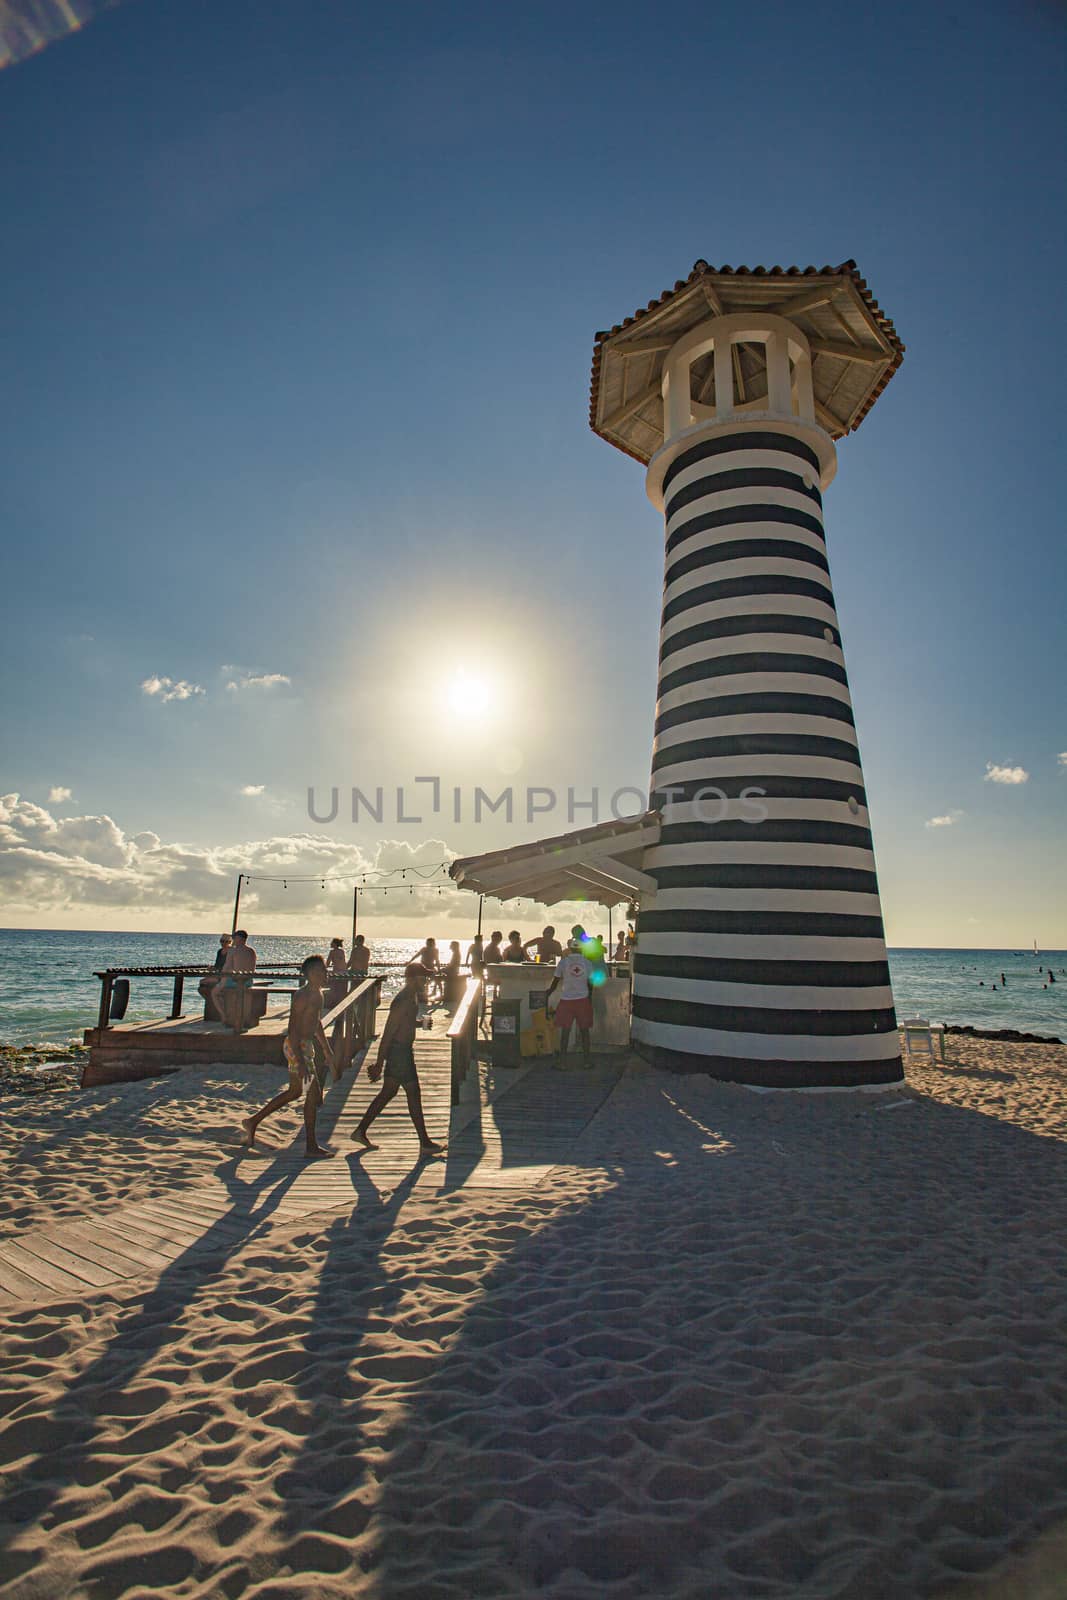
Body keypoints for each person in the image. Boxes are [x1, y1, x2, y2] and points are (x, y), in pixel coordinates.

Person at [241, 954, 335, 1158]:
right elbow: (293, 1028)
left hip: (306, 1046)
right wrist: (300, 1060)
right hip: (296, 1046)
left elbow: (316, 1022)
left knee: (297, 1092)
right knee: (310, 1094)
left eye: (325, 970)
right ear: (310, 974)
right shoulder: (302, 995)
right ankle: (311, 1147)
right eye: (320, 971)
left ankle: (253, 1121)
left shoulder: (318, 994)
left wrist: (326, 1048)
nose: (324, 973)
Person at [352, 964, 444, 1154]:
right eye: (422, 977)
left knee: (389, 1092)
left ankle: (360, 1131)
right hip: (399, 1053)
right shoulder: (403, 999)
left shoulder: (412, 997)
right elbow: (388, 1033)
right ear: (411, 978)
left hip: (403, 1051)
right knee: (413, 1093)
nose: (426, 981)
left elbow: (405, 1022)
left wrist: (419, 1024)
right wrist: (379, 1062)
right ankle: (425, 1142)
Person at [546, 939, 595, 1069]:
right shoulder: (588, 963)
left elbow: (555, 981)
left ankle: (562, 1062)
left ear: (570, 949)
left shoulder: (563, 963)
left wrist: (548, 993)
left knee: (565, 1032)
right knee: (585, 1032)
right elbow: (591, 983)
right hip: (583, 1000)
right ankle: (587, 1061)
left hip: (566, 1000)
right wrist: (590, 998)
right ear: (581, 949)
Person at [216, 929, 257, 1030]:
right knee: (226, 990)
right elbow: (252, 969)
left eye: (234, 938)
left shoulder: (232, 950)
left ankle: (224, 1016)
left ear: (239, 939)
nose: (233, 940)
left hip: (236, 981)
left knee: (214, 992)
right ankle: (236, 1016)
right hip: (248, 981)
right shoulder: (251, 951)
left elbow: (226, 967)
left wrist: (222, 978)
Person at [443, 940, 464, 1010]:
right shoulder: (456, 953)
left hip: (453, 971)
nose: (450, 947)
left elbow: (452, 964)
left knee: (438, 972)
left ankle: (445, 994)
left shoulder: (456, 954)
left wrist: (445, 968)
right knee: (440, 972)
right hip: (454, 970)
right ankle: (443, 992)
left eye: (451, 945)